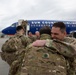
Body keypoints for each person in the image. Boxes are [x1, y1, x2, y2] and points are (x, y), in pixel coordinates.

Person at [9, 26, 75, 75]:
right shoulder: (63, 49)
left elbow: (15, 65)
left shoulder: (30, 47)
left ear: (39, 35)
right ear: (51, 35)